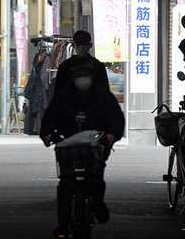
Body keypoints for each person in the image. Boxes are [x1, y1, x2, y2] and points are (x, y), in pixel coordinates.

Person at [40, 56, 125, 237]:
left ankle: (97, 204)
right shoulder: (63, 96)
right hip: (69, 146)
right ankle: (64, 223)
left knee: (96, 179)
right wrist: (48, 134)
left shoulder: (103, 95)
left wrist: (112, 134)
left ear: (92, 75)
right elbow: (50, 116)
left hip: (95, 146)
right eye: (79, 74)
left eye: (86, 74)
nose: (82, 77)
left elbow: (116, 117)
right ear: (72, 76)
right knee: (65, 185)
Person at [52, 29, 110, 96]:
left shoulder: (98, 67)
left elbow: (105, 93)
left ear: (90, 45)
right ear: (73, 45)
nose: (81, 47)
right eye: (78, 44)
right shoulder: (65, 67)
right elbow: (58, 94)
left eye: (84, 44)